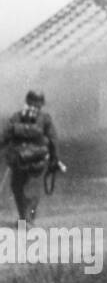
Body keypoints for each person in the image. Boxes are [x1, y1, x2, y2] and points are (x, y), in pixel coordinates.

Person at [1, 91, 60, 224]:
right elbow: (53, 139)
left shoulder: (16, 117)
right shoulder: (45, 118)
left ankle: (24, 218)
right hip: (37, 161)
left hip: (19, 160)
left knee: (17, 188)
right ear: (41, 104)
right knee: (32, 191)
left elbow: (4, 137)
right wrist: (54, 159)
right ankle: (28, 219)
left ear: (27, 101)